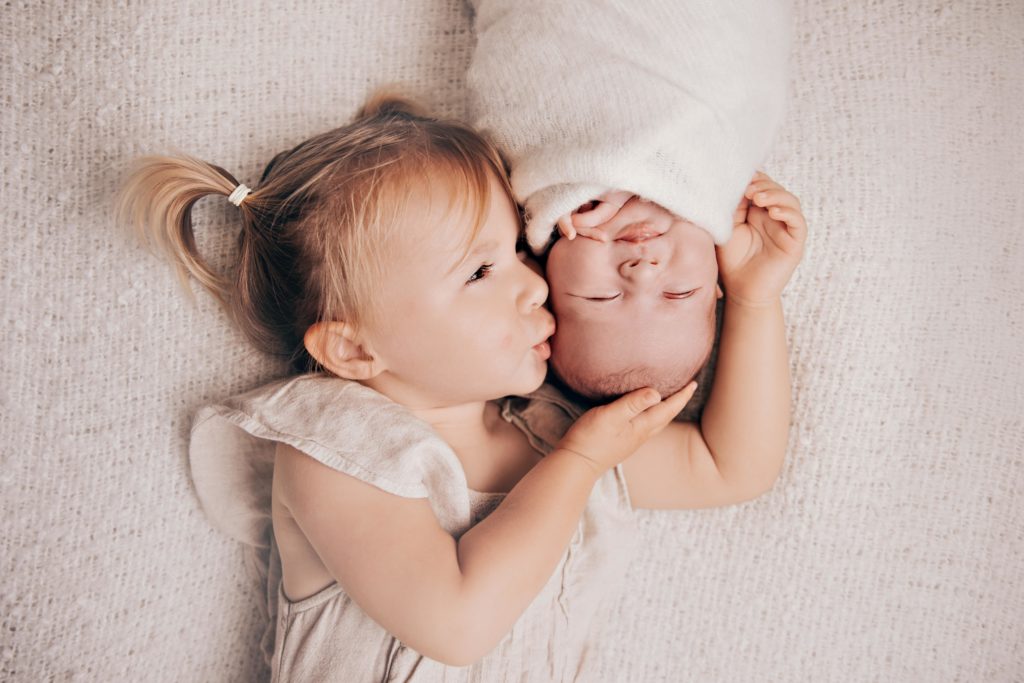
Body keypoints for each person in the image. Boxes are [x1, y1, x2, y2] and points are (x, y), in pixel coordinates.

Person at [117, 93, 803, 682]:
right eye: (481, 272)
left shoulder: (551, 430)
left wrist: (752, 298)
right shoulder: (335, 450)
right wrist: (580, 465)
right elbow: (455, 622)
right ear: (355, 347)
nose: (533, 283)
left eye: (516, 251)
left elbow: (730, 466)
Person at [466, 0, 793, 401]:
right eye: (679, 293)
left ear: (544, 277)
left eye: (603, 297)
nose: (642, 271)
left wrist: (578, 183)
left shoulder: (517, 179)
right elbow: (742, 86)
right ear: (716, 280)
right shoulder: (723, 171)